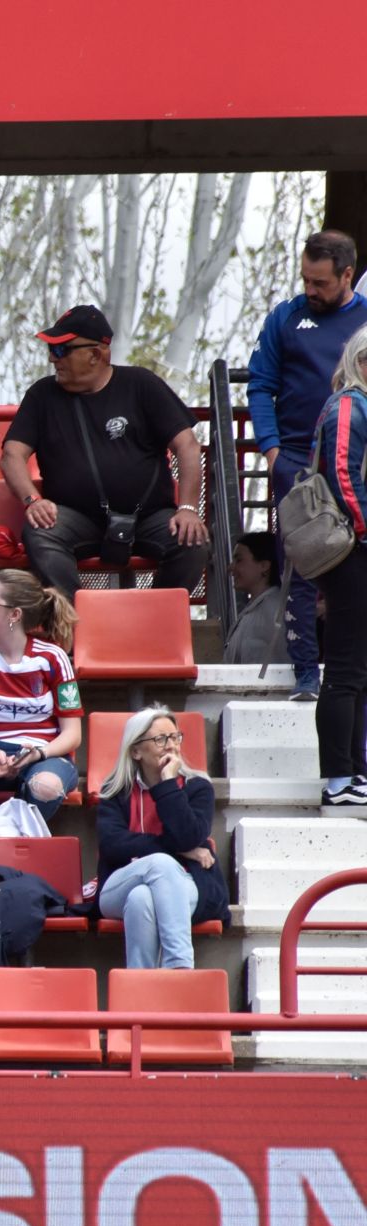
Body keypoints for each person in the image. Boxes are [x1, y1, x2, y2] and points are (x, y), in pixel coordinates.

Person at [1, 305, 208, 601]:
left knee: (192, 541)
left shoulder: (141, 383)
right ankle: (79, 627)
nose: (51, 358)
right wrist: (32, 500)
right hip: (76, 517)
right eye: (50, 349)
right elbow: (11, 454)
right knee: (42, 534)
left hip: (148, 515)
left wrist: (187, 508)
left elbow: (187, 445)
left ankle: (153, 624)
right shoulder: (41, 395)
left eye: (61, 350)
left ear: (96, 354)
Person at [248, 231, 367, 698]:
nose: (310, 291)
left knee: (356, 561)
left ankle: (351, 670)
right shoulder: (286, 316)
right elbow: (261, 385)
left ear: (347, 276)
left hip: (357, 460)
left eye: (319, 282)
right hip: (297, 459)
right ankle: (304, 673)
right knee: (300, 560)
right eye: (305, 280)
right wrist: (272, 450)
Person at [0, 568, 82, 834]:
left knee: (46, 786)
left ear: (14, 614)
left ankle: (4, 851)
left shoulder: (53, 658)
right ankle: (6, 847)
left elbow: (73, 735)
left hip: (46, 754)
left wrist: (39, 753)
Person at [95, 706, 223, 968]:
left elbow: (189, 836)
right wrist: (174, 851)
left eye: (175, 737)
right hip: (120, 883)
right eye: (160, 739)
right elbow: (112, 845)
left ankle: (139, 992)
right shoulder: (116, 790)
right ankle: (179, 967)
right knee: (160, 864)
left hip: (187, 884)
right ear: (136, 751)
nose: (171, 746)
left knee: (142, 898)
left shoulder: (197, 787)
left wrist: (167, 784)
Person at [311, 329, 367, 812]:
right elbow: (343, 473)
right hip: (353, 551)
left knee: (358, 669)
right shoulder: (350, 404)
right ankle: (338, 778)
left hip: (358, 547)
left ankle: (354, 770)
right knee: (346, 668)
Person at [222, 531, 289, 666]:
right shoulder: (258, 608)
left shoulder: (274, 612)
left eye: (239, 560)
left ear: (264, 566)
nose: (231, 568)